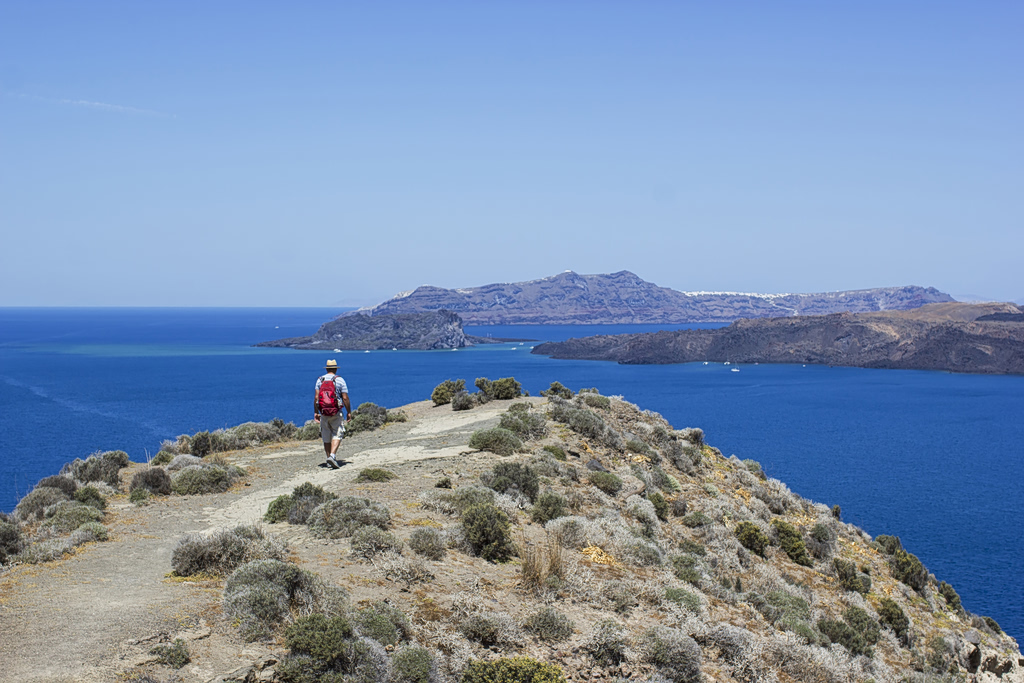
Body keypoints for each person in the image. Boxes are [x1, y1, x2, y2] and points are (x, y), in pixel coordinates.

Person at [314, 359, 351, 468]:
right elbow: (345, 398)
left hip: (324, 412)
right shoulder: (340, 380)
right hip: (336, 411)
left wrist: (316, 412)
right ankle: (333, 456)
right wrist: (348, 411)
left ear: (326, 369)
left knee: (326, 435)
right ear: (335, 369)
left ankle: (328, 458)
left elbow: (316, 398)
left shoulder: (320, 380)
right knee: (337, 433)